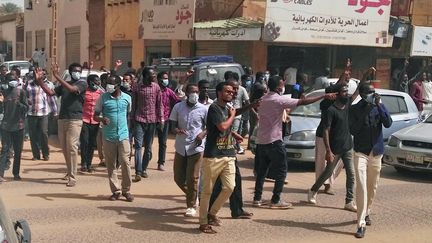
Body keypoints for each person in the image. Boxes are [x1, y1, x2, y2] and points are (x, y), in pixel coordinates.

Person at [253, 75, 336, 209]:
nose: (283, 85)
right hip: (274, 141)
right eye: (282, 83)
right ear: (279, 86)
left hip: (261, 142)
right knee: (282, 171)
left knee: (262, 172)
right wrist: (322, 97)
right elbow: (303, 102)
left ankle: (257, 198)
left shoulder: (263, 99)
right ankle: (275, 200)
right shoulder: (279, 100)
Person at [349, 82, 392, 238]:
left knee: (372, 186)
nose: (372, 94)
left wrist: (379, 105)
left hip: (376, 152)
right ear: (361, 94)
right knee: (361, 185)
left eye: (374, 92)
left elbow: (388, 123)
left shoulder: (378, 107)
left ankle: (367, 211)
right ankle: (360, 224)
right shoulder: (354, 109)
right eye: (369, 92)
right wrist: (365, 110)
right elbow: (353, 129)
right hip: (361, 152)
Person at [36, 63, 88, 187]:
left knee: (72, 147)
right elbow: (50, 93)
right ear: (70, 72)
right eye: (75, 70)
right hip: (63, 119)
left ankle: (73, 177)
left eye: (79, 71)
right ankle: (69, 172)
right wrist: (40, 82)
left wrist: (57, 76)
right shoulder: (65, 84)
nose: (78, 72)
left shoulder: (82, 83)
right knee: (65, 149)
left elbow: (72, 89)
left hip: (75, 120)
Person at [307, 84, 356, 212]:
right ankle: (313, 190)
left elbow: (357, 91)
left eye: (347, 91)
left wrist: (366, 76)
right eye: (344, 92)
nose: (347, 94)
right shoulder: (331, 110)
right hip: (335, 148)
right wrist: (328, 151)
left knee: (351, 174)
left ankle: (349, 201)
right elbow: (326, 131)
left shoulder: (348, 105)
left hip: (348, 146)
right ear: (337, 94)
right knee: (328, 172)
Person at [199, 82, 236, 234]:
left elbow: (224, 129)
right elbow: (222, 127)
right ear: (219, 93)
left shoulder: (227, 108)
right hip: (213, 156)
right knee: (207, 191)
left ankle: (212, 213)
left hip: (228, 154)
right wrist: (233, 115)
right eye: (227, 91)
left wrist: (234, 135)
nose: (230, 94)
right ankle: (203, 222)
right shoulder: (214, 108)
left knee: (229, 187)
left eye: (232, 92)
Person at [94, 75, 134, 202]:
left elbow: (128, 116)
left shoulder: (127, 98)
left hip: (123, 136)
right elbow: (95, 116)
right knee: (111, 165)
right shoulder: (103, 98)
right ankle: (116, 191)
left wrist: (129, 134)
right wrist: (102, 119)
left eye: (111, 84)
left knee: (125, 162)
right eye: (107, 84)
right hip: (108, 136)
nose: (108, 86)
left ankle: (126, 190)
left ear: (118, 85)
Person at [170, 83, 207, 217]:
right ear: (186, 93)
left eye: (197, 92)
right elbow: (172, 125)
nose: (194, 94)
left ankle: (191, 205)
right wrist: (177, 130)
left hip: (196, 147)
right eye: (192, 92)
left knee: (193, 177)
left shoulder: (203, 109)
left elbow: (209, 126)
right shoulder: (178, 107)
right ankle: (193, 195)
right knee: (178, 178)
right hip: (181, 146)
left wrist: (202, 134)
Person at [131, 67, 163, 181]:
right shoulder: (137, 87)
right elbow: (133, 105)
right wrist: (132, 121)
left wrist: (161, 120)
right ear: (145, 76)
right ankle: (138, 171)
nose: (154, 76)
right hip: (139, 120)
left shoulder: (156, 87)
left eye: (155, 74)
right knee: (138, 146)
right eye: (152, 75)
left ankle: (144, 168)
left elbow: (159, 105)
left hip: (152, 121)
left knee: (148, 148)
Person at [0, 74, 28, 182]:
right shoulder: (3, 93)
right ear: (6, 81)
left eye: (14, 79)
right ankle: (1, 174)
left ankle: (16, 173)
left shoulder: (21, 93)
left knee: (18, 151)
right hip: (6, 126)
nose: (13, 81)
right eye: (10, 80)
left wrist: (19, 105)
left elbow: (26, 108)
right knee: (5, 150)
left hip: (19, 126)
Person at [26, 68, 58, 161]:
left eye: (42, 74)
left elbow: (51, 100)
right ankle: (36, 155)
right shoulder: (28, 84)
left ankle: (46, 154)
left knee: (44, 133)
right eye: (37, 74)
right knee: (33, 134)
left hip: (43, 113)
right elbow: (24, 97)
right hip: (31, 113)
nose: (40, 76)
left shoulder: (47, 86)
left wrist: (55, 112)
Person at [79, 75, 104, 173]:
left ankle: (89, 164)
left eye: (99, 81)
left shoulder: (101, 93)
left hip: (95, 121)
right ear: (89, 82)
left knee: (92, 143)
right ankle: (83, 163)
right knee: (84, 142)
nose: (98, 83)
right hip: (84, 120)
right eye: (95, 81)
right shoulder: (84, 92)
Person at [156, 71, 179, 171]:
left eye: (167, 78)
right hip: (153, 119)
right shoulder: (154, 90)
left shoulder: (169, 91)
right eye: (164, 78)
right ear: (159, 80)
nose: (166, 80)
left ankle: (161, 162)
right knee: (148, 144)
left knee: (163, 142)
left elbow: (177, 101)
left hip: (165, 119)